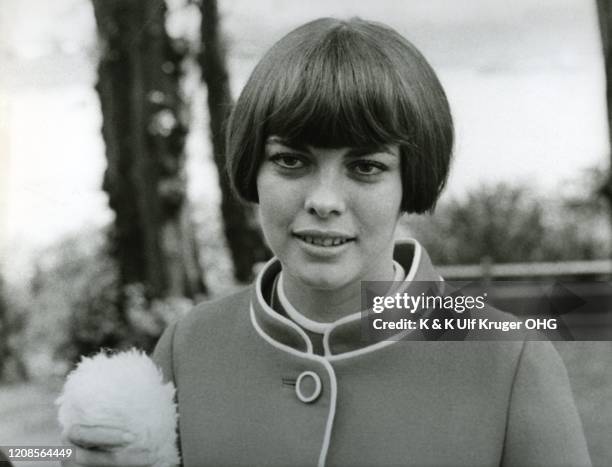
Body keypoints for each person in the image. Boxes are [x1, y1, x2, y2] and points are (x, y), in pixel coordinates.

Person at [63, 17, 591, 466]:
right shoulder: (188, 348)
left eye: (365, 167)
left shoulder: (509, 359)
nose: (324, 199)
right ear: (253, 167)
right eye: (291, 160)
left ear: (411, 179)